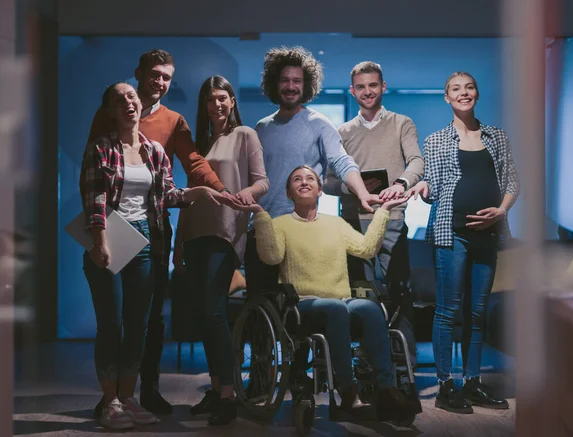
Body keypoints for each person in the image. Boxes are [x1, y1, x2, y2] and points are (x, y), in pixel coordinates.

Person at [88, 49, 239, 416]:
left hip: (153, 230)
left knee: (149, 318)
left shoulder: (172, 125)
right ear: (139, 74)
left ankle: (145, 390)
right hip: (112, 227)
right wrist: (98, 233)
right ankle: (113, 397)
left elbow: (192, 165)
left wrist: (221, 192)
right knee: (113, 318)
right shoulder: (110, 116)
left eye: (166, 77)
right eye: (154, 74)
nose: (159, 82)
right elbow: (93, 176)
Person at [244, 165, 411, 421]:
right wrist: (260, 214)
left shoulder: (336, 224)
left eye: (310, 178)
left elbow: (366, 249)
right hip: (303, 305)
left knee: (369, 307)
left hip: (341, 300)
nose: (304, 181)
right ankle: (347, 390)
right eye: (296, 179)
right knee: (335, 309)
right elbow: (271, 256)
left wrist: (384, 211)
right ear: (289, 193)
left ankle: (387, 388)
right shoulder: (280, 224)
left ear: (320, 190)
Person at [404, 72, 519, 414]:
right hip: (450, 233)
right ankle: (445, 386)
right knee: (448, 310)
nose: (463, 93)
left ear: (477, 94)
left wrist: (499, 211)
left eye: (469, 87)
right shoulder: (437, 140)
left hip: (488, 234)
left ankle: (471, 383)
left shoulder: (497, 137)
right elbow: (435, 189)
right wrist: (424, 190)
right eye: (456, 89)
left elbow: (512, 181)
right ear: (447, 97)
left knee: (478, 311)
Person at [245, 46, 381, 300]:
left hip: (301, 233)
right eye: (285, 80)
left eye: (297, 81)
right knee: (259, 307)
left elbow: (342, 161)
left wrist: (362, 193)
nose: (291, 86)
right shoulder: (262, 128)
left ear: (306, 85)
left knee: (302, 314)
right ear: (275, 83)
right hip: (263, 230)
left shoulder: (319, 123)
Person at [173, 76, 269, 426]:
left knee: (213, 312)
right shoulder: (198, 143)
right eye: (211, 99)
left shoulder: (245, 135)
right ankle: (215, 390)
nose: (217, 104)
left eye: (223, 97)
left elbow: (263, 180)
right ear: (204, 105)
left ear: (231, 101)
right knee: (203, 314)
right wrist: (177, 242)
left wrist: (246, 195)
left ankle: (228, 394)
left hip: (226, 233)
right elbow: (188, 197)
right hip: (195, 235)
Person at [324, 61, 424, 366]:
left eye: (373, 85)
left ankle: (403, 364)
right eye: (361, 86)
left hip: (392, 222)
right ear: (353, 91)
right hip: (354, 226)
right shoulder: (341, 132)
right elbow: (327, 183)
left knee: (399, 293)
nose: (368, 91)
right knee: (361, 298)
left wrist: (401, 183)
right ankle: (368, 362)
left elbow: (417, 162)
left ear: (383, 87)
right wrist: (354, 189)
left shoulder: (402, 123)